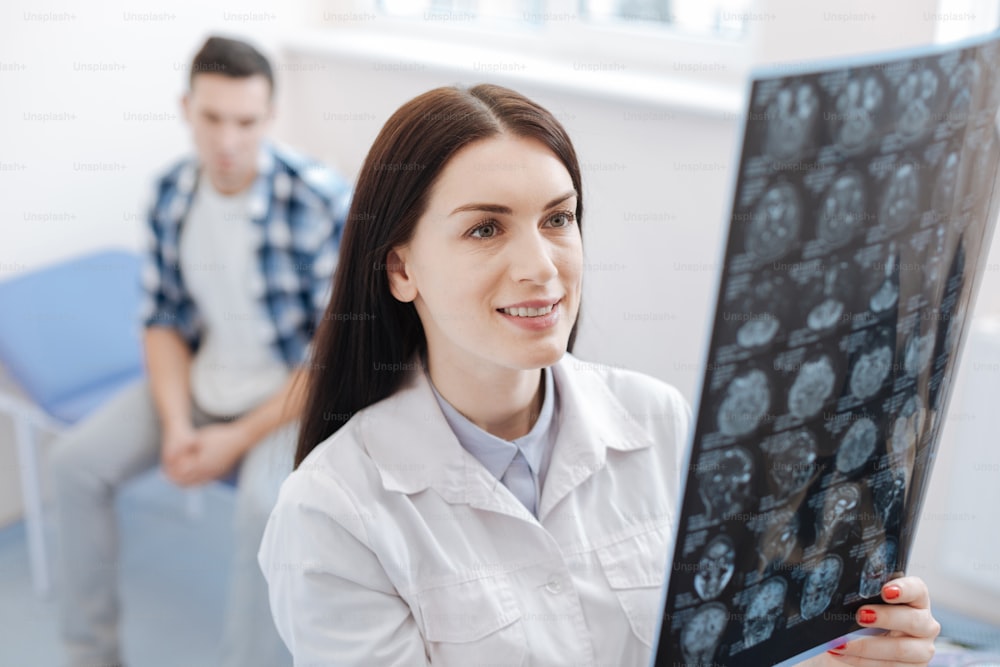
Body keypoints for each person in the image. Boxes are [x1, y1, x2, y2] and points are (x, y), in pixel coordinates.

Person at [258, 84, 940, 666]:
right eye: (485, 230)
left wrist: (842, 646)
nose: (541, 266)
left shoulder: (659, 420)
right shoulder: (331, 514)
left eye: (558, 218)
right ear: (401, 269)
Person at [49, 36, 351, 667]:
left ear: (270, 117)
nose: (228, 141)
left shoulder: (319, 201)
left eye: (246, 122)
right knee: (74, 464)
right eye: (212, 118)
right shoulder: (170, 193)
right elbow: (161, 320)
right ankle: (89, 655)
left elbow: (333, 356)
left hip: (290, 394)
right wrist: (179, 423)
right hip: (204, 379)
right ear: (186, 108)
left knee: (263, 509)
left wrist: (235, 439)